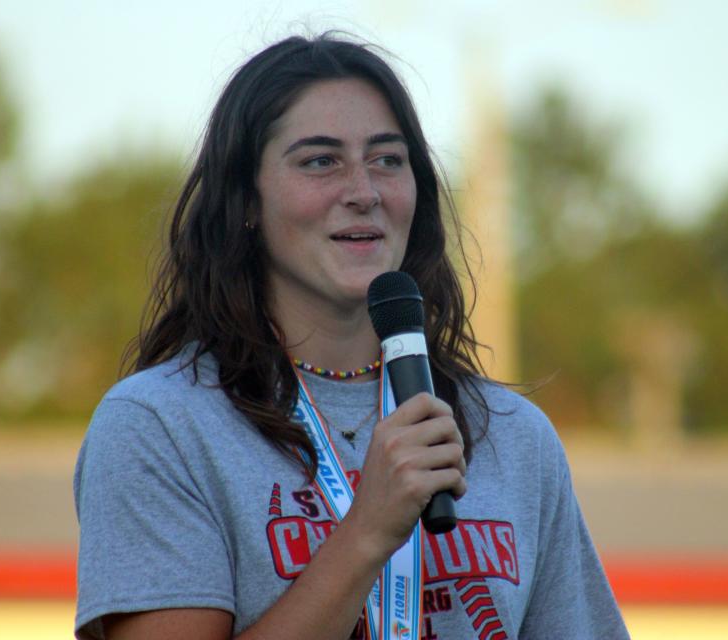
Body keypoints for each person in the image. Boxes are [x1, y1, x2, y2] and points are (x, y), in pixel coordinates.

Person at [73, 33, 629, 640]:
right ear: (246, 198)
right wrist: (367, 532)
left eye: (388, 160)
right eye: (320, 160)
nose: (364, 192)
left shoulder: (514, 436)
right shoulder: (160, 427)